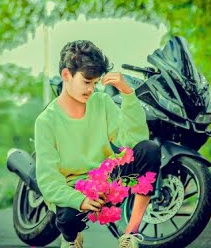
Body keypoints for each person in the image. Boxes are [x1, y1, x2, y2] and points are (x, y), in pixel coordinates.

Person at [35, 40, 161, 248]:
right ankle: (72, 239)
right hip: (74, 188)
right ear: (67, 75)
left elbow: (133, 142)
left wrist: (128, 94)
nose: (92, 89)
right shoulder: (46, 122)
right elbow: (49, 182)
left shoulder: (102, 103)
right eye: (86, 82)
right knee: (67, 217)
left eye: (95, 83)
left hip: (108, 180)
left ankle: (130, 235)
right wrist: (80, 201)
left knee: (149, 149)